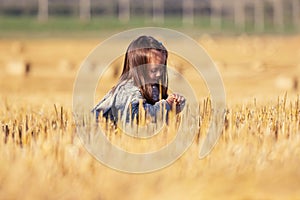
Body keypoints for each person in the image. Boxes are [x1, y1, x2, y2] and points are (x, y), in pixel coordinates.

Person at [92, 35, 185, 124]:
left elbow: (153, 120)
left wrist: (174, 108)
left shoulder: (154, 88)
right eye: (154, 70)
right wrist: (167, 105)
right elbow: (138, 116)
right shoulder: (127, 89)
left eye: (162, 68)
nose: (159, 74)